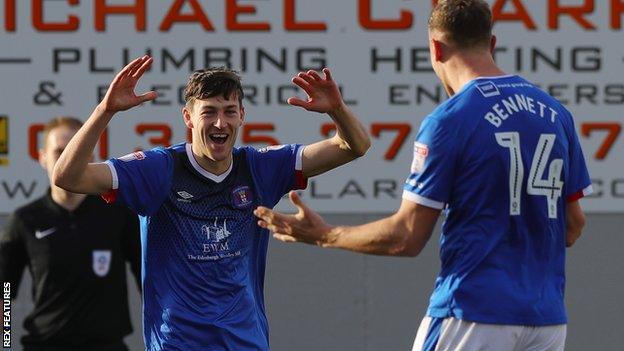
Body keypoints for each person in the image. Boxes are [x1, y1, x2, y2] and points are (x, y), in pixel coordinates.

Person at [254, 1, 592, 350]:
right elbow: (573, 224)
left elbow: (406, 237)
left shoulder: (452, 119)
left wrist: (324, 235)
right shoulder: (556, 114)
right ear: (491, 44)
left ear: (435, 47)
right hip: (547, 320)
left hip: (473, 312)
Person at [52, 56, 370, 350]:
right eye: (209, 112)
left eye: (229, 111)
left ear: (242, 116)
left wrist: (337, 109)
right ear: (188, 117)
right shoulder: (159, 169)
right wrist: (104, 111)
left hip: (246, 344)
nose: (220, 123)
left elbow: (353, 146)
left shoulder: (259, 167)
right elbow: (68, 176)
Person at [0, 117, 141, 351]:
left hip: (106, 346)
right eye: (58, 152)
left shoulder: (117, 214)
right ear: (42, 157)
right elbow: (5, 291)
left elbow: (148, 280)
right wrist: (4, 341)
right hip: (45, 345)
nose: (67, 159)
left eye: (75, 150)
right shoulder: (25, 220)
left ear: (91, 156)